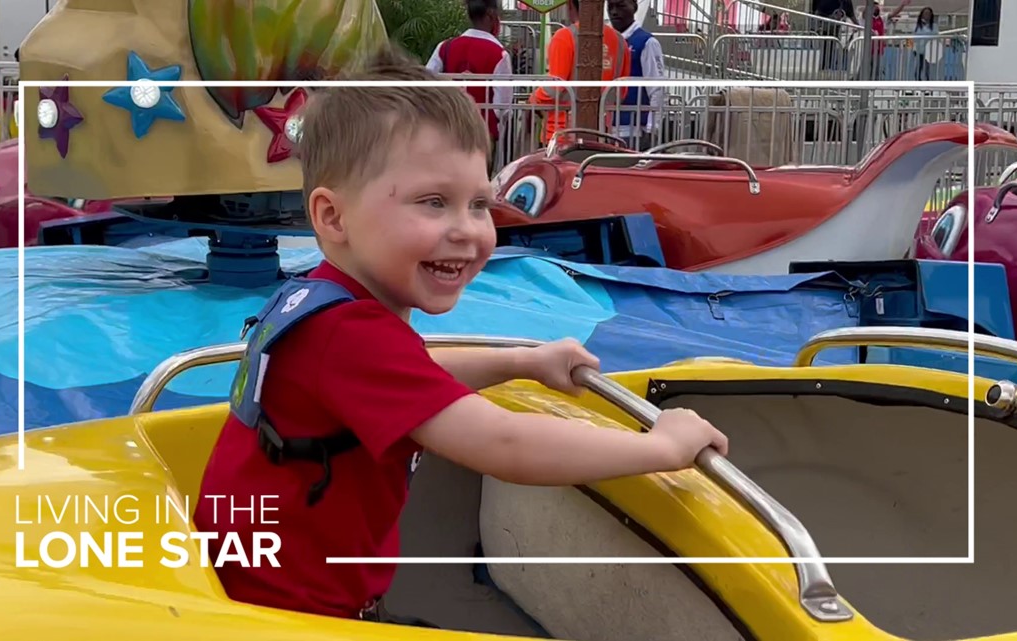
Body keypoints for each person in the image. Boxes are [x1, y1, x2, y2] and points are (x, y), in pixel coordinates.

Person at [194, 45, 729, 626]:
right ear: (333, 217)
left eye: (479, 204)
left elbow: (414, 373)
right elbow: (504, 445)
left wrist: (520, 362)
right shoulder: (348, 334)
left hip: (263, 587)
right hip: (284, 618)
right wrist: (661, 449)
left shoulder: (328, 302)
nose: (468, 231)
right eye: (433, 203)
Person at [426, 0, 513, 172]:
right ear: (492, 16)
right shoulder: (499, 54)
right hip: (482, 132)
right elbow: (502, 105)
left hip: (448, 129)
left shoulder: (445, 47)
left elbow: (426, 82)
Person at [530, 0, 632, 145]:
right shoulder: (620, 41)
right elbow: (621, 92)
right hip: (602, 133)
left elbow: (555, 88)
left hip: (560, 134)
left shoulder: (563, 37)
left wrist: (534, 99)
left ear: (570, 5)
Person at [607, 0, 667, 151]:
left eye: (620, 6)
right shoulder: (606, 40)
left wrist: (653, 127)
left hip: (633, 129)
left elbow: (657, 88)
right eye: (610, 7)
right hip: (606, 127)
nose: (614, 12)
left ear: (634, 7)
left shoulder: (647, 42)